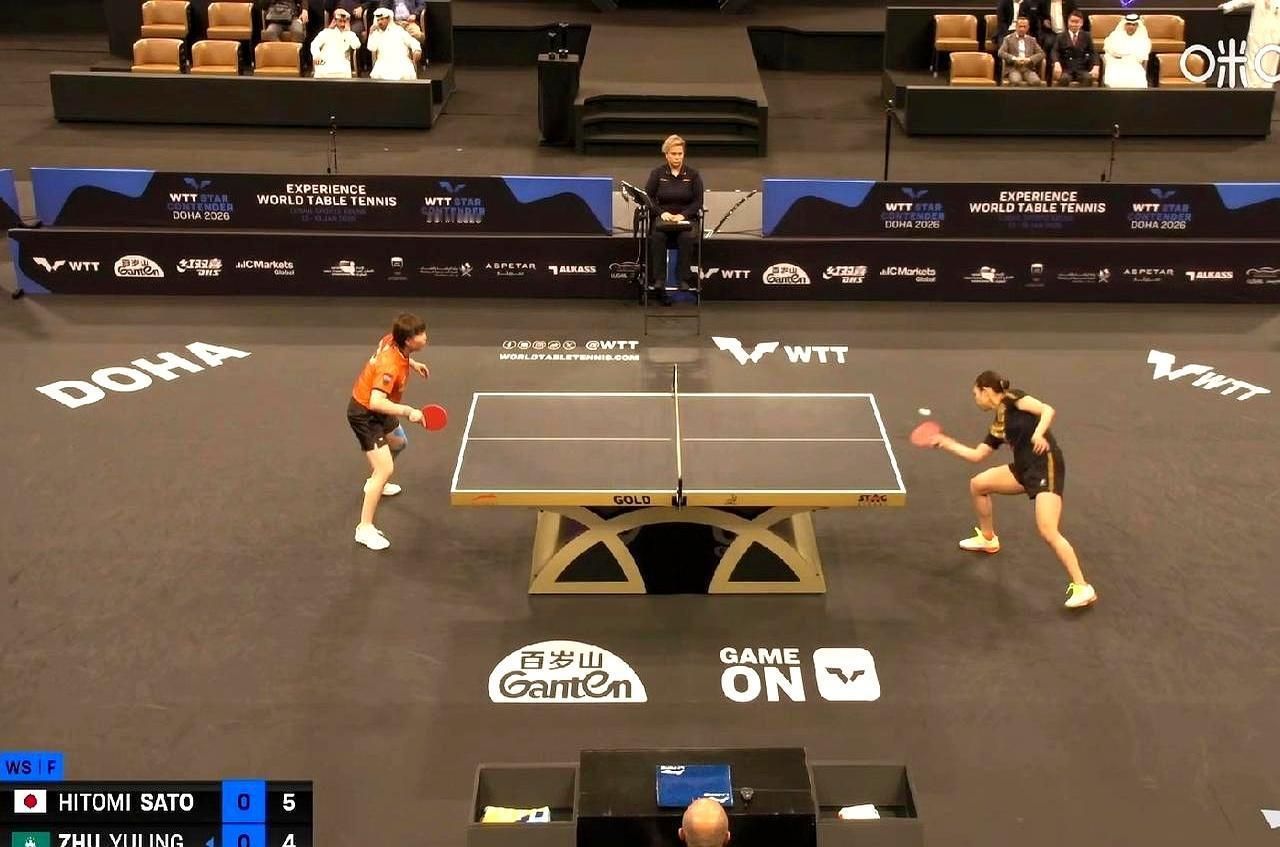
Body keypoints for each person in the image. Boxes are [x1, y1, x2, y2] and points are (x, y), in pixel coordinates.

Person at [928, 370, 1098, 609]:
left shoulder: (1014, 398)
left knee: (1048, 530)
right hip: (1023, 469)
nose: (975, 399)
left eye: (975, 393)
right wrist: (947, 443)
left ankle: (1082, 586)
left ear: (986, 391)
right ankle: (988, 538)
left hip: (1045, 466)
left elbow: (1047, 410)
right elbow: (977, 455)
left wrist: (1038, 433)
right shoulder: (999, 423)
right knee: (978, 484)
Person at [347, 313, 430, 551]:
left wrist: (412, 363)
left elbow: (390, 351)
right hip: (365, 414)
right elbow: (376, 401)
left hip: (379, 410)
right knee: (385, 469)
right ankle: (364, 529)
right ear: (408, 340)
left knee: (399, 442)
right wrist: (408, 411)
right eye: (420, 334)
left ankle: (377, 483)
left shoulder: (392, 340)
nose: (425, 337)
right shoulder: (390, 367)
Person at [643, 134, 704, 301]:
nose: (677, 157)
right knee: (657, 236)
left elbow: (698, 202)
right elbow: (648, 198)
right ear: (666, 155)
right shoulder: (657, 173)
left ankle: (683, 279)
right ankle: (659, 279)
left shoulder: (693, 174)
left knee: (686, 237)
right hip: (664, 218)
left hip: (686, 219)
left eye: (680, 154)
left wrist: (683, 215)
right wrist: (661, 213)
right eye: (674, 154)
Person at [1219, 0, 1280, 88]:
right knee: (1252, 64)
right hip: (1256, 35)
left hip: (1274, 38)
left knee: (1269, 66)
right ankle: (1251, 90)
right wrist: (1228, 6)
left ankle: (1266, 90)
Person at [368, 7, 422, 80]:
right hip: (383, 63)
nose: (380, 22)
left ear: (388, 19)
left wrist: (417, 50)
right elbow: (371, 47)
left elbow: (412, 41)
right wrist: (371, 33)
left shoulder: (398, 30)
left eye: (382, 19)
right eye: (378, 20)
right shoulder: (376, 33)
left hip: (401, 61)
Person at [1102, 13, 1151, 88]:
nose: (1131, 27)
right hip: (1116, 63)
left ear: (1137, 26)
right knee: (1114, 81)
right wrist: (1127, 55)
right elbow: (1111, 51)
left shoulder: (1143, 39)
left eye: (1134, 25)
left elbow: (1142, 57)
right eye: (1128, 24)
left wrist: (1127, 55)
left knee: (1138, 82)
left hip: (1134, 65)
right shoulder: (1115, 35)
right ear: (1124, 25)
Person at [311, 8, 360, 78]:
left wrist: (348, 32)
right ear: (335, 21)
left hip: (342, 66)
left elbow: (356, 45)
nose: (342, 24)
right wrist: (317, 56)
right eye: (340, 21)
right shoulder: (326, 32)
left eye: (344, 21)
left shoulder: (350, 34)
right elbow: (314, 44)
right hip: (325, 64)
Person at [1053, 11, 1097, 85]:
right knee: (1064, 79)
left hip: (1081, 69)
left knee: (1088, 78)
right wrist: (1056, 63)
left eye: (1076, 22)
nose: (1074, 24)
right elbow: (1055, 51)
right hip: (1066, 69)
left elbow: (1093, 52)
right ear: (1068, 22)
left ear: (1081, 23)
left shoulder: (1086, 36)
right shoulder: (1061, 36)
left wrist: (1096, 66)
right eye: (1072, 21)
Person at [999, 18, 1045, 85]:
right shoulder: (1008, 39)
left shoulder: (1032, 40)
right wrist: (1014, 58)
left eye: (1024, 27)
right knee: (1016, 81)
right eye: (1020, 26)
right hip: (1014, 69)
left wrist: (1029, 59)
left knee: (1036, 82)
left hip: (1028, 69)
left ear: (1028, 28)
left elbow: (1041, 53)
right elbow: (1001, 52)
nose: (1022, 29)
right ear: (1016, 27)